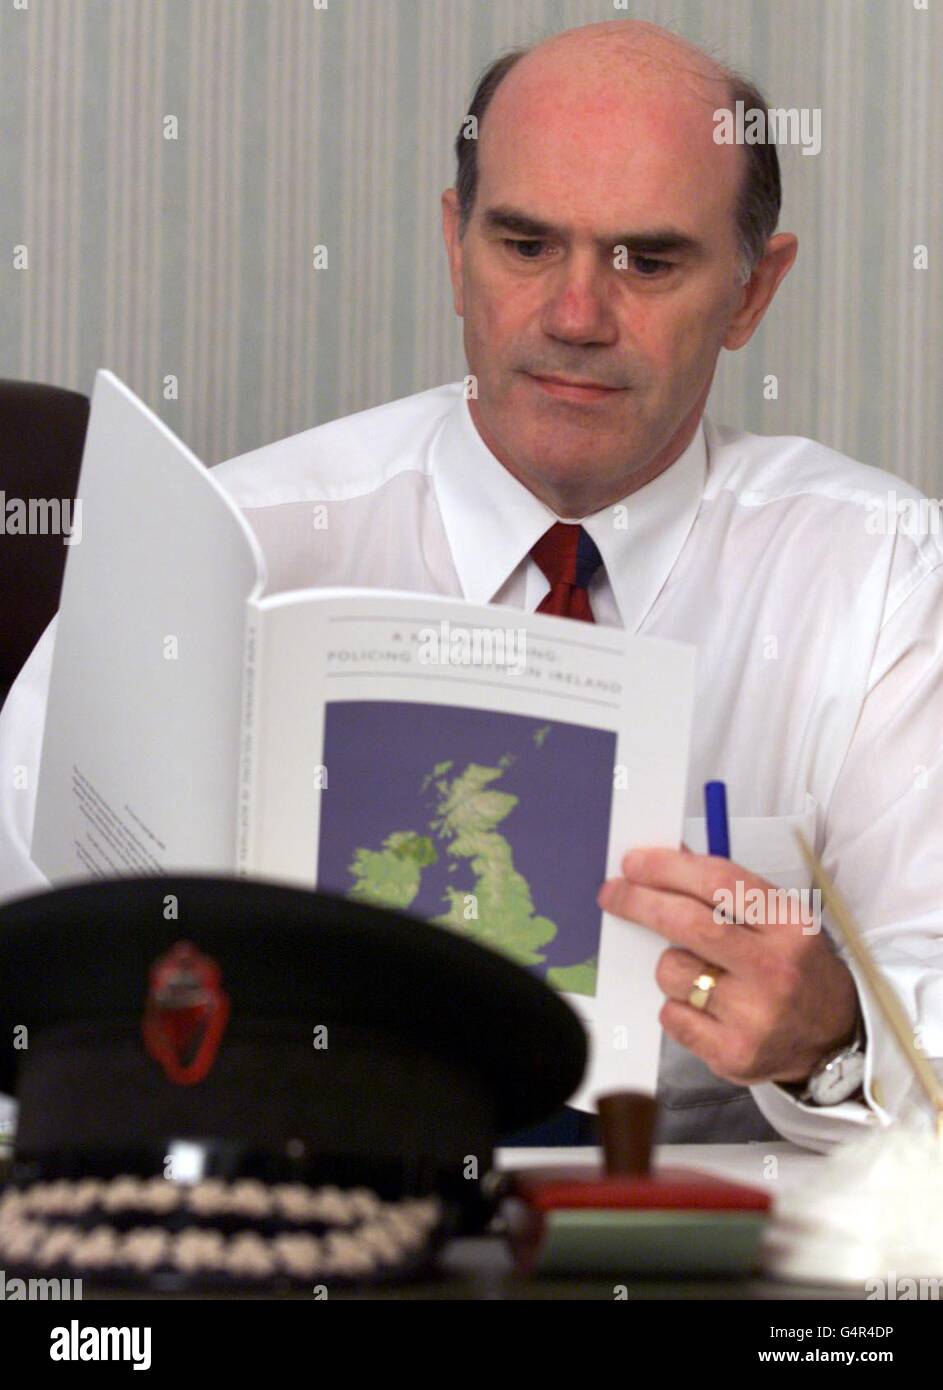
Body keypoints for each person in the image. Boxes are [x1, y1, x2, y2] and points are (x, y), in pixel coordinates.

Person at [1, 20, 941, 1149]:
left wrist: (832, 1038)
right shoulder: (231, 537)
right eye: (525, 243)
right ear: (456, 246)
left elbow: (928, 1032)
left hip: (690, 1239)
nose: (576, 316)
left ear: (751, 293)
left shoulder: (880, 570)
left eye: (647, 260)